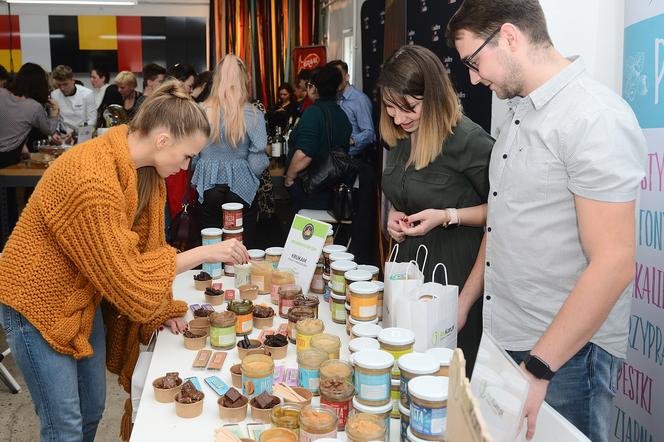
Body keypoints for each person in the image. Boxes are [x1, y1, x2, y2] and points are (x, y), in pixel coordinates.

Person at [0, 81, 250, 442]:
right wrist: (205, 253)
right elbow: (127, 275)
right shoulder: (92, 180)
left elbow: (143, 250)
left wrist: (162, 306)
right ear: (163, 140)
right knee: (65, 426)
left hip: (82, 295)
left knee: (92, 411)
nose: (186, 166)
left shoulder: (141, 170)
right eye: (186, 156)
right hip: (36, 304)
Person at [447, 1, 646, 441]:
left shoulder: (594, 117)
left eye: (474, 62)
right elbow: (503, 221)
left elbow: (613, 262)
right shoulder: (519, 113)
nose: (475, 79)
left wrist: (540, 367)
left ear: (510, 36)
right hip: (506, 336)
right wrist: (465, 301)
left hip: (564, 360)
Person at [379, 45, 494, 372]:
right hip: (409, 276)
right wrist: (393, 215)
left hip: (454, 280)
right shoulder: (403, 135)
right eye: (390, 107)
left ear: (433, 97)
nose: (399, 118)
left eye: (409, 108)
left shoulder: (467, 140)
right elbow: (403, 190)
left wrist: (448, 216)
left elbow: (506, 214)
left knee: (444, 387)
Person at [192, 54, 268, 249]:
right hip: (241, 184)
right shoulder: (253, 113)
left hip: (208, 182)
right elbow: (257, 163)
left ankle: (212, 275)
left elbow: (193, 155)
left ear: (216, 80)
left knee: (210, 244)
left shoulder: (201, 110)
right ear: (244, 80)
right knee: (242, 244)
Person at [285, 65, 352, 212]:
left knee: (306, 232)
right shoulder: (342, 114)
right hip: (332, 185)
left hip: (311, 188)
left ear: (314, 88)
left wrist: (289, 178)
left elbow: (304, 155)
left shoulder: (313, 113)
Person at [0, 63, 60, 168]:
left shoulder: (2, 93)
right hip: (7, 157)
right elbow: (49, 130)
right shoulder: (34, 107)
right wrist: (54, 112)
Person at [328, 60, 376, 158]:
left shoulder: (360, 100)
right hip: (334, 158)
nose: (335, 80)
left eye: (338, 76)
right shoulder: (333, 98)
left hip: (352, 159)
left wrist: (351, 140)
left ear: (347, 77)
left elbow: (370, 134)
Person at [51, 64, 96, 131]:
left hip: (83, 134)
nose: (62, 88)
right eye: (59, 85)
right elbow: (55, 119)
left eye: (65, 84)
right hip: (63, 135)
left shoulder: (87, 94)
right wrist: (56, 132)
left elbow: (92, 121)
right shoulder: (54, 95)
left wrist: (75, 133)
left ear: (73, 80)